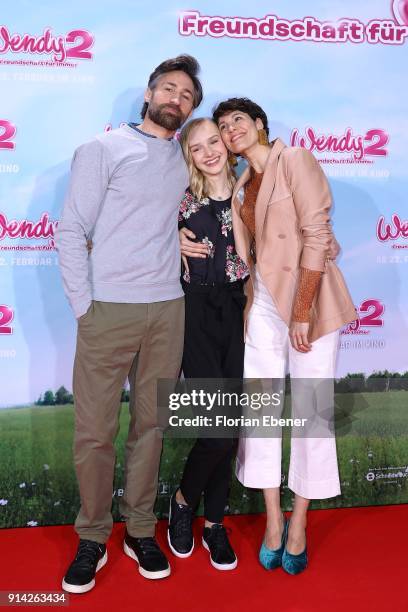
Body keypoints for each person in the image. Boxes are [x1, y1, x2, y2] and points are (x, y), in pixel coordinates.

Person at [56, 55, 203, 593]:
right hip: (107, 312)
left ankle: (140, 528)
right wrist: (83, 308)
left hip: (168, 309)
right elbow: (71, 229)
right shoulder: (103, 149)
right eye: (169, 89)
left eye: (187, 96)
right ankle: (92, 536)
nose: (176, 100)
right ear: (148, 93)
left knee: (152, 427)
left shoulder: (186, 157)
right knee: (95, 432)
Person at [211, 98, 357, 575]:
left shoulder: (293, 159)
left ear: (259, 124)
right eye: (222, 124)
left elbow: (317, 234)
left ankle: (298, 525)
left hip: (306, 301)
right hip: (263, 306)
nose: (230, 128)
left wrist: (302, 309)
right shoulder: (239, 186)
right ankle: (272, 519)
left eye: (237, 119)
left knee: (312, 411)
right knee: (260, 410)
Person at [167, 118, 249, 570]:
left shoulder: (249, 187)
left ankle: (214, 523)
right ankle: (182, 501)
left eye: (212, 142)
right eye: (196, 148)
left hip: (240, 309)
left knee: (229, 428)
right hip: (195, 310)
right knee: (216, 426)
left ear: (227, 142)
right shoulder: (181, 198)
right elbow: (141, 234)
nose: (208, 152)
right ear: (189, 157)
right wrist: (171, 239)